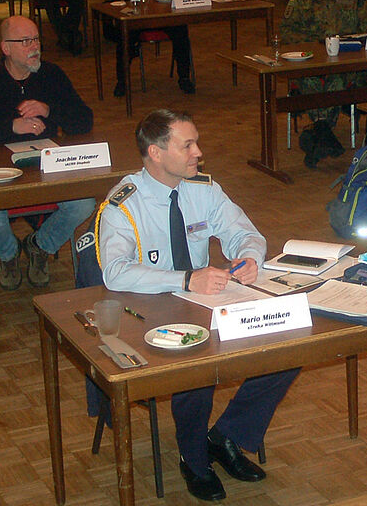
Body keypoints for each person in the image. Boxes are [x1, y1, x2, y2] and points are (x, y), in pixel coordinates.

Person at [97, 109, 297, 502]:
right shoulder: (124, 204)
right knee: (194, 357)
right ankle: (193, 458)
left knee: (287, 346)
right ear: (155, 153)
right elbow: (116, 273)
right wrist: (186, 279)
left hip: (204, 299)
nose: (198, 153)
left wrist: (248, 256)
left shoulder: (202, 189)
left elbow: (243, 231)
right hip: (147, 310)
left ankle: (226, 437)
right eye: (187, 145)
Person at [0, 15, 95, 290]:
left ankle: (39, 246)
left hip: (45, 170)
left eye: (36, 39)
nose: (33, 46)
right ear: (5, 48)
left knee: (84, 203)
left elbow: (84, 121)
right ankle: (9, 254)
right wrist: (10, 126)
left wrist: (49, 110)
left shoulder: (52, 75)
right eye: (24, 41)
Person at [279, 0, 367, 167]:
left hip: (348, 66)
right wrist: (316, 46)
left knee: (336, 79)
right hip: (312, 62)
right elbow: (287, 32)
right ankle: (322, 134)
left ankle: (318, 134)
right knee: (310, 79)